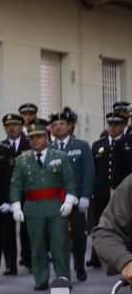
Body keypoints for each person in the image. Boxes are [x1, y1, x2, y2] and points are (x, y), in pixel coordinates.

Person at [12, 122, 76, 290]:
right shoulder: (22, 160)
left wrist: (69, 199)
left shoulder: (60, 156)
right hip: (33, 208)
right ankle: (41, 279)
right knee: (37, 245)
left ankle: (63, 278)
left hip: (56, 207)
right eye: (32, 138)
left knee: (60, 244)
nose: (35, 140)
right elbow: (15, 185)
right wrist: (16, 206)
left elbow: (69, 180)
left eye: (39, 137)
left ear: (47, 138)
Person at [52, 109, 94, 281]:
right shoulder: (49, 147)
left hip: (76, 200)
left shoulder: (81, 146)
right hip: (56, 201)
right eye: (55, 124)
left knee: (78, 235)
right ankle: (62, 271)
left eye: (62, 124)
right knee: (58, 237)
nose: (58, 127)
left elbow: (88, 172)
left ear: (70, 126)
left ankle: (79, 265)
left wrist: (85, 196)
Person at [89, 111, 131, 271]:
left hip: (118, 188)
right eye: (110, 124)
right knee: (100, 222)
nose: (112, 127)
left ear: (123, 126)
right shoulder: (98, 145)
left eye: (116, 124)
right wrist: (124, 261)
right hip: (103, 191)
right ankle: (95, 257)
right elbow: (106, 232)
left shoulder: (127, 143)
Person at [0, 115, 24, 280]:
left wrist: (10, 201)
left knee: (10, 233)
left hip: (10, 197)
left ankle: (14, 264)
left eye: (15, 125)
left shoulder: (8, 149)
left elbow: (10, 177)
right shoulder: (0, 146)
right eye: (8, 125)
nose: (11, 128)